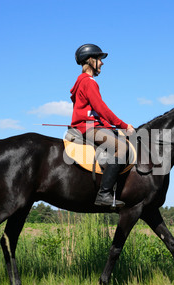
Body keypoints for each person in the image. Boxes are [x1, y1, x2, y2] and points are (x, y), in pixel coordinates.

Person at [70, 44, 135, 208]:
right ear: (91, 60)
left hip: (91, 126)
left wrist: (111, 127)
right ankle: (104, 194)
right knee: (122, 148)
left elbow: (94, 112)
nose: (102, 63)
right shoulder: (89, 82)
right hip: (89, 129)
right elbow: (101, 108)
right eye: (99, 59)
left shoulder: (81, 82)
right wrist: (123, 125)